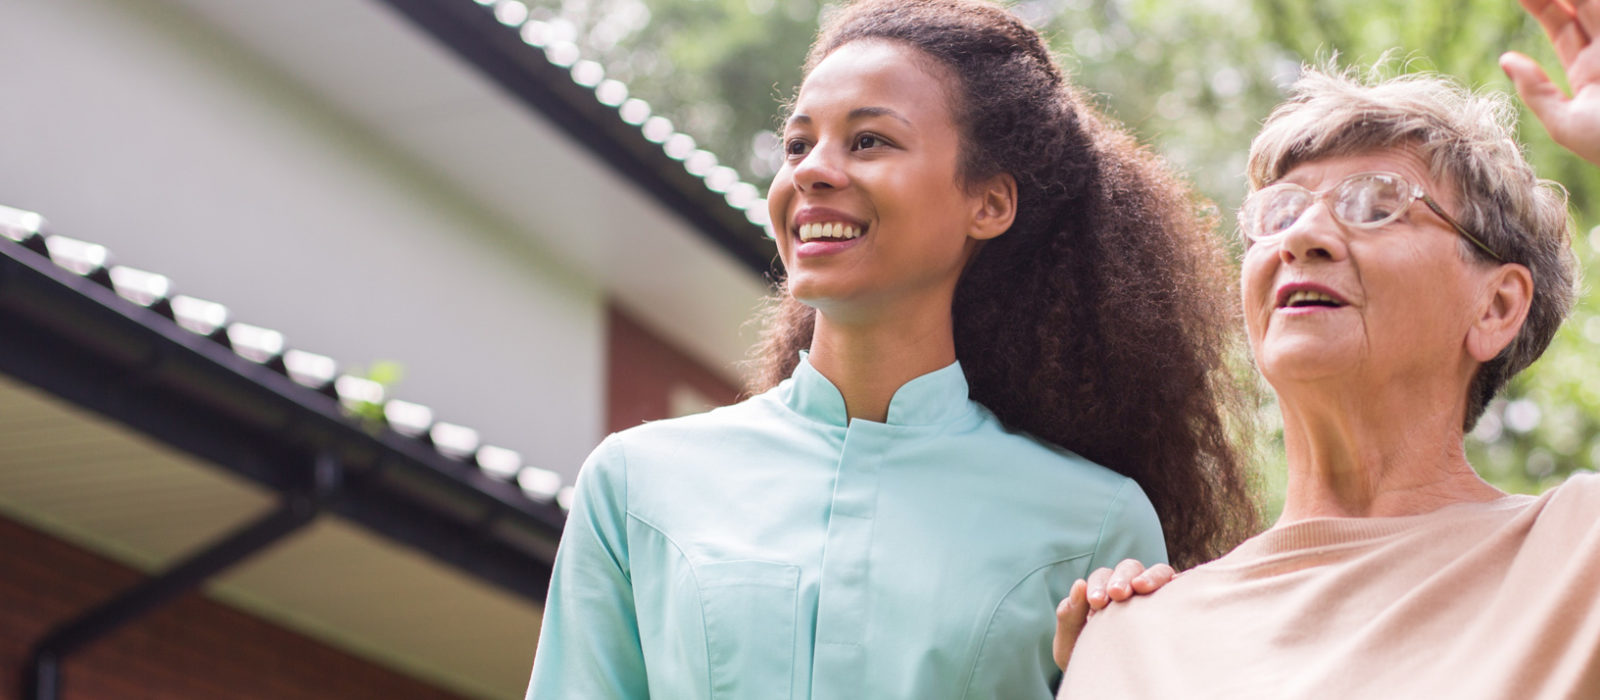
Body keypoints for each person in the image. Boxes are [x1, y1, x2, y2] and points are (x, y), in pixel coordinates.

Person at [526, 1, 1256, 697]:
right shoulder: (636, 488)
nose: (812, 169)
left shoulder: (1098, 524)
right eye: (798, 143)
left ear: (989, 203)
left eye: (869, 139)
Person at [1056, 2, 1600, 696]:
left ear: (1496, 306)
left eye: (1376, 204)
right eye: (1279, 211)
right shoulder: (1134, 638)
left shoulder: (1577, 554)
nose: (1302, 236)